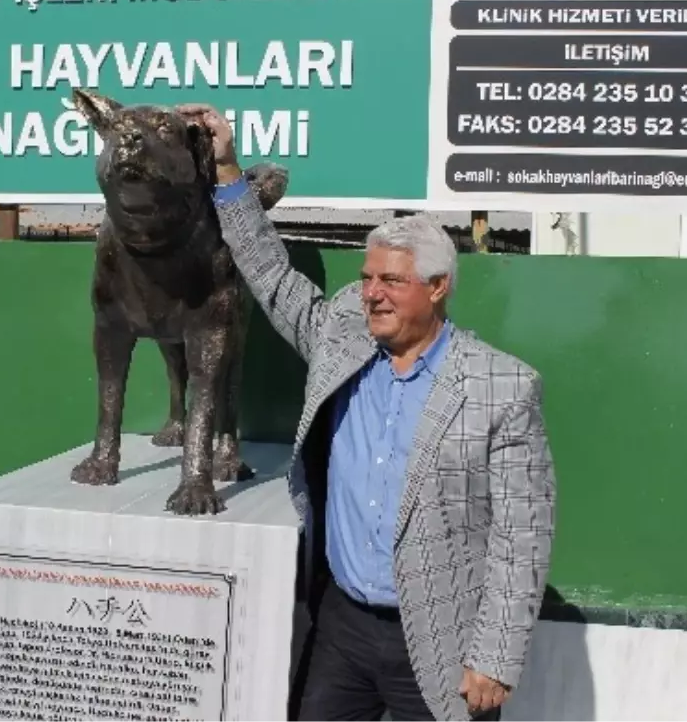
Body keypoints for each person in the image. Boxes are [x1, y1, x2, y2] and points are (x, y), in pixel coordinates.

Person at [177, 104, 557, 722]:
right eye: (367, 277)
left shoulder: (501, 387)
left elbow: (524, 537)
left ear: (437, 288)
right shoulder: (344, 339)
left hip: (439, 640)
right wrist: (226, 169)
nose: (373, 293)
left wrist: (496, 656)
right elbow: (273, 277)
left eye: (392, 282)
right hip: (342, 629)